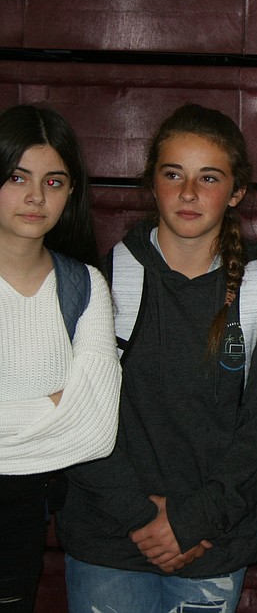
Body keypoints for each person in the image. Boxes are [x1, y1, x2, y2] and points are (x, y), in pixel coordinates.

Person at [56, 103, 257, 613]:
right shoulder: (101, 285)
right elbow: (72, 416)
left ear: (236, 192)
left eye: (208, 177)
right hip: (110, 539)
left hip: (210, 542)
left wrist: (192, 521)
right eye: (173, 174)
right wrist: (141, 516)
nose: (188, 193)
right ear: (152, 184)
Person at [0, 105, 120, 613]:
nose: (35, 196)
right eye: (17, 177)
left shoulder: (85, 286)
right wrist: (53, 405)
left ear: (71, 191)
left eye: (53, 181)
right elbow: (72, 417)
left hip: (19, 521)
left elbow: (96, 430)